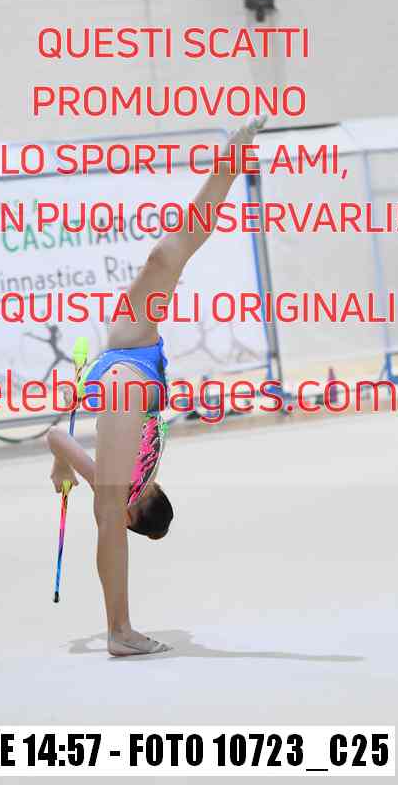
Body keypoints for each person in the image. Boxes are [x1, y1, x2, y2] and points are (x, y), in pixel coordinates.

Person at [47, 116, 267, 656]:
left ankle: (120, 631)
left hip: (128, 372)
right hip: (135, 361)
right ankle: (230, 162)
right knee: (167, 257)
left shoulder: (120, 491)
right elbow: (56, 434)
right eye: (152, 490)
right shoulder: (133, 480)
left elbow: (61, 441)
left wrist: (68, 470)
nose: (151, 485)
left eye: (148, 495)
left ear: (140, 505)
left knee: (169, 256)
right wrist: (60, 467)